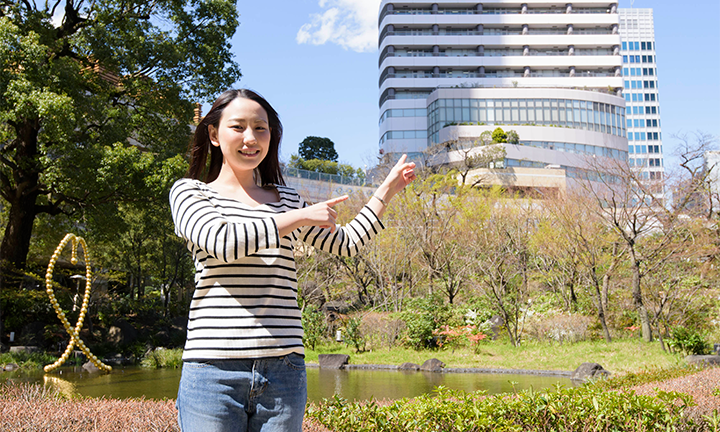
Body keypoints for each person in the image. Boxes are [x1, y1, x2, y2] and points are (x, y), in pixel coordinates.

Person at [169, 88, 416, 432]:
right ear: (213, 134)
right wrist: (297, 218)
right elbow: (221, 242)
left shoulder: (286, 198)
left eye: (261, 128)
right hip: (213, 369)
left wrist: (385, 192)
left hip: (283, 369)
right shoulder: (191, 193)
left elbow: (345, 244)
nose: (250, 138)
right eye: (238, 127)